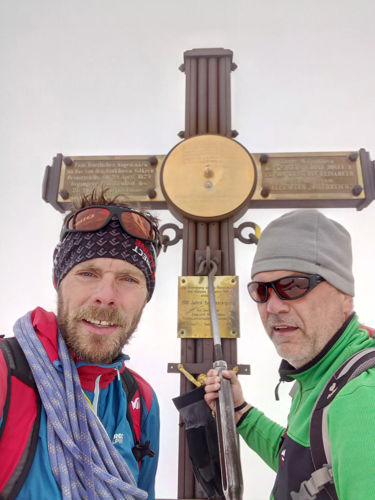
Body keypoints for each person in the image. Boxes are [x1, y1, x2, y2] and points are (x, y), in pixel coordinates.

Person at [204, 209, 375, 500]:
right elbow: (300, 466)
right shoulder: (321, 375)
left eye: (293, 286)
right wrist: (240, 412)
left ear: (344, 294)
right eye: (262, 291)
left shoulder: (359, 399)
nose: (273, 307)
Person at [0, 193, 161, 500]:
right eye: (88, 273)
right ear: (57, 280)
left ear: (146, 296)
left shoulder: (140, 400)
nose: (106, 295)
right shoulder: (5, 374)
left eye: (128, 279)